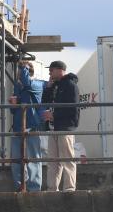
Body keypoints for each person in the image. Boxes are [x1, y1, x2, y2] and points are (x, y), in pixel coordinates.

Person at [41, 60, 80, 192]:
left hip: (65, 127)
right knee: (53, 161)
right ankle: (52, 188)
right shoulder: (55, 86)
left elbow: (73, 109)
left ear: (59, 70)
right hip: (53, 128)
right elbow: (44, 102)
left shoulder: (70, 85)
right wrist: (48, 88)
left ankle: (69, 188)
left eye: (51, 70)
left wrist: (54, 115)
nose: (49, 73)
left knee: (67, 159)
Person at [9, 61, 46, 192]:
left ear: (26, 72)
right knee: (16, 161)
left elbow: (27, 82)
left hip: (32, 127)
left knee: (33, 160)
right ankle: (20, 187)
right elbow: (14, 111)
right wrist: (13, 105)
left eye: (20, 71)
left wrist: (24, 66)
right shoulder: (18, 87)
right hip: (17, 127)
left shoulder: (37, 83)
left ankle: (34, 189)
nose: (17, 74)